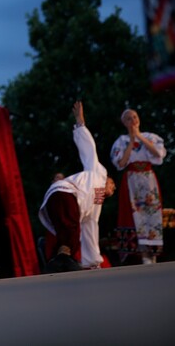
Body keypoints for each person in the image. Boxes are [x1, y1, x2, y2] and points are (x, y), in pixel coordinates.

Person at [39, 101, 115, 272]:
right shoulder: (98, 172)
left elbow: (91, 227)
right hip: (65, 193)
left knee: (69, 234)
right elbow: (89, 150)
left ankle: (59, 264)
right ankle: (63, 262)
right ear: (108, 178)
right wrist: (80, 123)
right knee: (71, 232)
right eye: (112, 184)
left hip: (57, 199)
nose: (112, 188)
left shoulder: (96, 203)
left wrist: (94, 262)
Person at [111, 108, 167, 264]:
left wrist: (139, 137)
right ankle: (142, 255)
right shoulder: (121, 141)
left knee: (151, 213)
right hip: (132, 181)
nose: (133, 120)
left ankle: (152, 255)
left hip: (148, 179)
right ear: (124, 123)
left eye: (134, 117)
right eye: (128, 118)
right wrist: (131, 140)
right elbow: (121, 163)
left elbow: (158, 154)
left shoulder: (150, 137)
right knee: (134, 215)